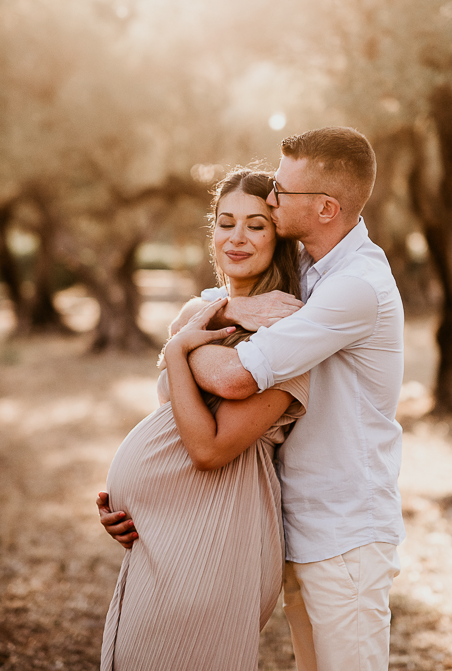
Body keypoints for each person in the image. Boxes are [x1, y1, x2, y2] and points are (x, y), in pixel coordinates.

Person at [100, 126, 405, 671]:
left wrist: (179, 347)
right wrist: (220, 315)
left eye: (278, 198)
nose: (271, 198)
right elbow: (210, 313)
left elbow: (239, 378)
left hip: (342, 528)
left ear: (326, 208)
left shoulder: (350, 287)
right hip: (289, 519)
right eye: (227, 222)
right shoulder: (304, 278)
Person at [99, 169, 309, 671]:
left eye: (256, 225)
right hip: (156, 535)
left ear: (280, 237)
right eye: (225, 222)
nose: (236, 238)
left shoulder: (293, 328)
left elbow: (209, 449)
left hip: (217, 539)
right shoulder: (206, 310)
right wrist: (135, 498)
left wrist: (177, 350)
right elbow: (175, 424)